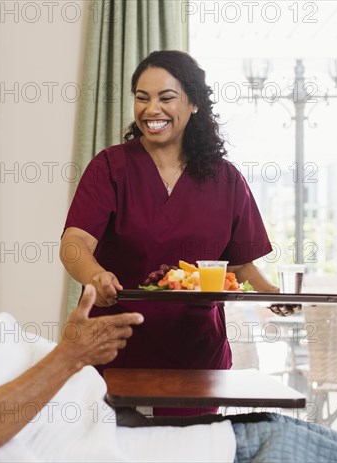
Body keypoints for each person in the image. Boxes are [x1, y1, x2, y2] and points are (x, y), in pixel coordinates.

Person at [0, 153, 337, 463]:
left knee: (267, 427)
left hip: (108, 414)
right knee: (274, 438)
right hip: (92, 436)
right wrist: (69, 355)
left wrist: (68, 350)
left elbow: (247, 261)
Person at [60, 50, 296, 416]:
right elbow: (74, 243)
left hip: (195, 353)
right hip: (116, 345)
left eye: (166, 98)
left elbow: (240, 267)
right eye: (142, 97)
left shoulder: (226, 179)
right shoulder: (109, 167)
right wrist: (96, 276)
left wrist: (272, 295)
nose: (152, 109)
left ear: (194, 104)